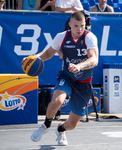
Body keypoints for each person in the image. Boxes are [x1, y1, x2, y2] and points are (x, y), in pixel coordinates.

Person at [29, 11, 99, 146]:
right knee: (56, 101)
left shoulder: (90, 37)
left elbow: (94, 59)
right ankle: (45, 125)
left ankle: (60, 130)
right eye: (76, 26)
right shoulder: (61, 36)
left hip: (84, 83)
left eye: (82, 26)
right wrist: (34, 58)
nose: (79, 29)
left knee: (72, 124)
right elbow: (48, 53)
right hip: (67, 77)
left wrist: (79, 66)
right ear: (70, 25)